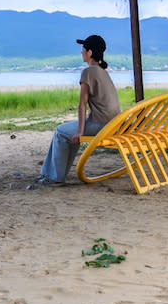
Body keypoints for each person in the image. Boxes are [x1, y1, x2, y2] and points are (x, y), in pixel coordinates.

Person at [30, 34, 121, 188]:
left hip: (101, 126)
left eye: (83, 49)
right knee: (67, 134)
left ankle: (54, 177)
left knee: (60, 131)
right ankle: (50, 174)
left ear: (90, 52)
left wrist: (80, 131)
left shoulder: (88, 72)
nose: (81, 52)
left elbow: (82, 104)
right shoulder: (103, 71)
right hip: (114, 124)